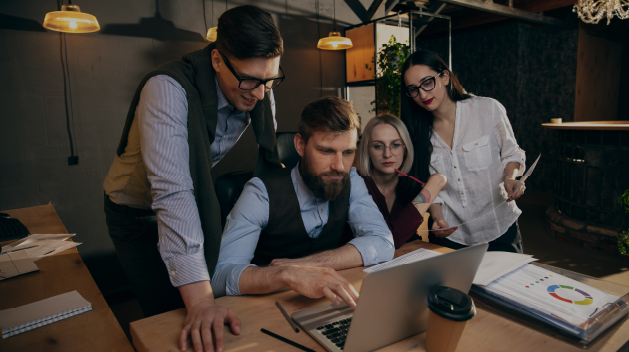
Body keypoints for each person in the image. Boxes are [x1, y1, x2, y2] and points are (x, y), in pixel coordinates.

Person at [102, 5, 284, 352]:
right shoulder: (166, 88)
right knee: (167, 318)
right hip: (135, 214)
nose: (260, 94)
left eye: (269, 80)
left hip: (189, 202)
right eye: (248, 79)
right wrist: (201, 303)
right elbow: (173, 193)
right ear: (217, 59)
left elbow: (271, 150)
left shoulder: (258, 85)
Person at [212, 96, 394, 307]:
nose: (339, 166)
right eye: (326, 151)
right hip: (266, 311)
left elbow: (383, 241)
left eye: (347, 152)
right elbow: (219, 277)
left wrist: (304, 265)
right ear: (300, 145)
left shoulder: (351, 179)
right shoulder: (260, 193)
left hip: (327, 304)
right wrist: (284, 274)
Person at [399, 49, 526, 253]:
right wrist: (438, 218)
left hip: (499, 227)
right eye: (413, 89)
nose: (422, 94)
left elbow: (512, 152)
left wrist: (511, 177)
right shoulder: (417, 134)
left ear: (445, 77)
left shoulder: (488, 109)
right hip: (452, 236)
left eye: (427, 83)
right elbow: (430, 185)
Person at [352, 114, 448, 249]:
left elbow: (430, 193)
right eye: (378, 146)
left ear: (405, 149)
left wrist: (438, 218)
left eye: (396, 145)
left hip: (410, 256)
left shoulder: (408, 182)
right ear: (367, 150)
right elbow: (388, 239)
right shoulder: (357, 185)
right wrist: (435, 184)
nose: (387, 154)